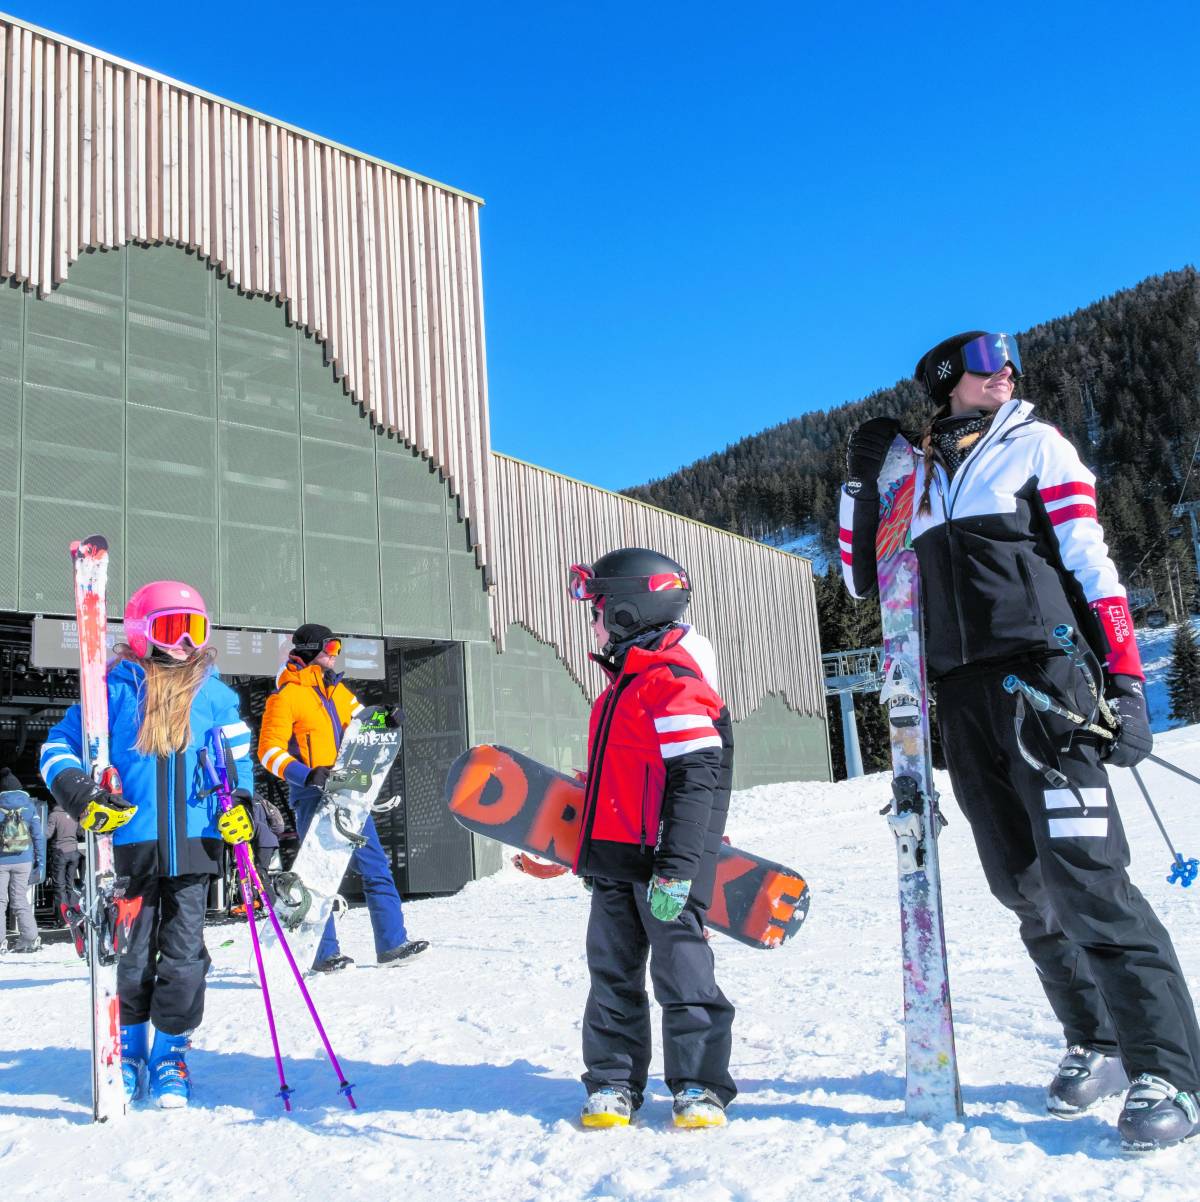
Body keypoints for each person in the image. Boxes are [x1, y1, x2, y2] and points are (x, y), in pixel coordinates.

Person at [840, 330, 1200, 1152]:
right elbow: (864, 575)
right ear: (945, 380)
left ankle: (1170, 1069)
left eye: (1008, 362)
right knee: (1021, 885)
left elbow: (1093, 564)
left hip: (1047, 685)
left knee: (1088, 884)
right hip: (961, 698)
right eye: (983, 362)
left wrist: (1129, 682)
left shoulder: (1037, 446)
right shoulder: (919, 476)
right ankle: (1097, 1039)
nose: (1003, 371)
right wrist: (864, 483)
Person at [40, 580, 255, 1108]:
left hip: (194, 845)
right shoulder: (112, 689)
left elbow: (237, 761)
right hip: (130, 847)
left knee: (184, 959)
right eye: (169, 628)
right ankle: (131, 1051)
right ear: (140, 632)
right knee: (131, 958)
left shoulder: (215, 694)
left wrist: (240, 804)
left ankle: (171, 1053)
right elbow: (57, 747)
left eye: (193, 630)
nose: (182, 642)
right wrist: (78, 791)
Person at [566, 548, 736, 1129]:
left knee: (684, 975)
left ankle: (698, 1085)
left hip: (665, 864)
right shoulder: (621, 687)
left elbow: (698, 781)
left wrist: (680, 867)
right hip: (613, 862)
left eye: (598, 610)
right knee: (611, 977)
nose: (592, 623)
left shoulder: (672, 682)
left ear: (628, 610)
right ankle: (613, 1082)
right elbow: (620, 780)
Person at [257, 623, 427, 972]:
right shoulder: (285, 697)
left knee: (376, 866)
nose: (335, 654)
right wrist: (307, 775)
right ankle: (324, 954)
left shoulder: (336, 691)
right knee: (319, 875)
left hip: (350, 794)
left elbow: (361, 721)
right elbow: (268, 752)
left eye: (337, 647)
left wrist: (386, 716)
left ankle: (393, 943)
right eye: (329, 647)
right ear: (309, 651)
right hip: (312, 796)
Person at [0, 771, 44, 953]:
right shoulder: (29, 807)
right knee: (19, 900)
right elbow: (38, 836)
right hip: (24, 860)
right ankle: (30, 938)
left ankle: (1, 942)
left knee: (0, 901)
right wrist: (40, 862)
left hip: (1, 861)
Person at [44, 798, 83, 925]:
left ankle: (63, 918)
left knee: (59, 886)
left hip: (60, 853)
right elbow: (80, 833)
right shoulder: (73, 813)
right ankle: (75, 913)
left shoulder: (53, 815)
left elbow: (48, 834)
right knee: (70, 885)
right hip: (74, 853)